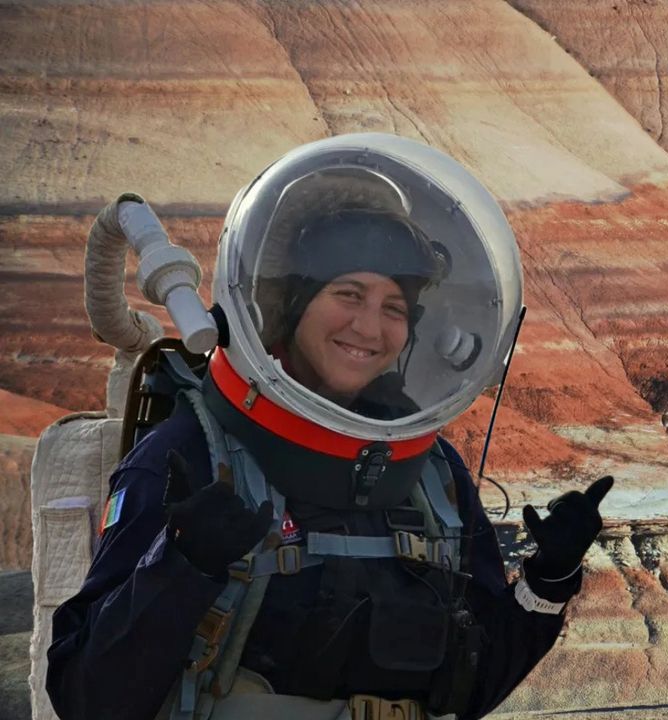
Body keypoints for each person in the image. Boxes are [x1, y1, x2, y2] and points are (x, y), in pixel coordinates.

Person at [47, 134, 613, 720]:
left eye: (394, 307)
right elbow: (87, 700)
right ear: (292, 302)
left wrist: (547, 583)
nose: (369, 327)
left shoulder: (430, 477)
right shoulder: (191, 455)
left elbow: (470, 690)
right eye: (349, 294)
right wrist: (181, 567)